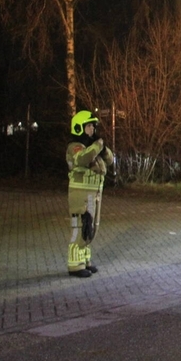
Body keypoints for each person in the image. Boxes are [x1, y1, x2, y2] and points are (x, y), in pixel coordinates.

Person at [65, 110, 114, 277]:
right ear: (79, 127)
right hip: (80, 193)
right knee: (80, 226)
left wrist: (102, 148)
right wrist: (96, 146)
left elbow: (110, 160)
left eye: (93, 126)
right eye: (89, 126)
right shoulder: (75, 146)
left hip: (94, 192)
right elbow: (82, 159)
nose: (92, 129)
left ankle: (85, 260)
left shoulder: (92, 146)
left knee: (91, 227)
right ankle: (74, 265)